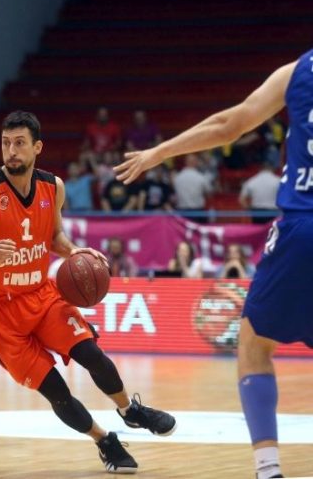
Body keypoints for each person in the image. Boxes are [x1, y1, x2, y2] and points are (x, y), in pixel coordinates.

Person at [113, 52, 313, 479]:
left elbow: (229, 124)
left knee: (254, 343)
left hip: (304, 227)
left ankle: (268, 470)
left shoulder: (299, 71)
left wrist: (159, 153)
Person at [0, 110, 176, 474]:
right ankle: (104, 440)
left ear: (37, 147)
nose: (11, 151)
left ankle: (130, 410)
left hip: (40, 294)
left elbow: (54, 237)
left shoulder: (53, 186)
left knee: (91, 353)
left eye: (19, 143)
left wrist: (74, 251)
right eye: (6, 143)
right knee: (56, 391)